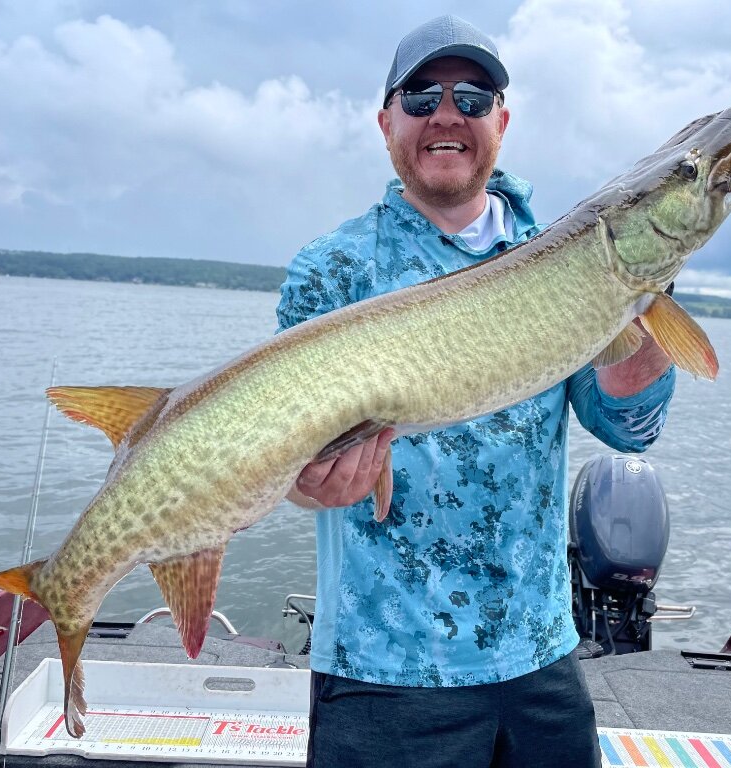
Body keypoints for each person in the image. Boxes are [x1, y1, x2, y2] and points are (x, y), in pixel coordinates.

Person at [276, 15, 675, 768]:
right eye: (422, 96)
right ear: (386, 121)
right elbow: (296, 468)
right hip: (382, 669)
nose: (447, 112)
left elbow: (627, 426)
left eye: (473, 94)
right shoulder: (329, 272)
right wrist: (312, 485)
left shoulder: (563, 257)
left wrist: (646, 287)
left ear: (503, 119)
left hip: (540, 658)